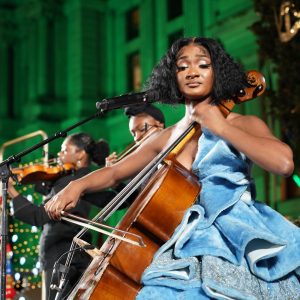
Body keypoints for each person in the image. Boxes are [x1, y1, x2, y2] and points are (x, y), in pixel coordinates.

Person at [45, 37, 300, 299]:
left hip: (233, 237)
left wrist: (220, 127)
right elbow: (115, 172)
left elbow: (283, 163)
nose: (192, 72)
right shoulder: (167, 138)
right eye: (182, 67)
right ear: (172, 77)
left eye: (203, 64)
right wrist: (77, 185)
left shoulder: (241, 123)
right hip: (182, 242)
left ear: (218, 72)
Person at [8, 133, 116, 300]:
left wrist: (11, 191)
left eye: (65, 150)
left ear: (80, 154)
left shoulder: (69, 184)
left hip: (59, 253)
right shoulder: (90, 179)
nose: (59, 155)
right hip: (80, 253)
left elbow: (36, 216)